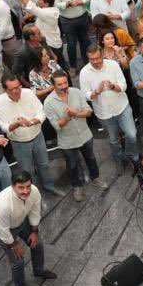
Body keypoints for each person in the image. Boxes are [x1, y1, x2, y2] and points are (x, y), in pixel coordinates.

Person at [42, 70, 109, 203]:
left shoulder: (76, 92)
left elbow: (89, 112)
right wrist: (67, 117)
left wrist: (76, 114)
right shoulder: (49, 102)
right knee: (72, 164)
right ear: (53, 86)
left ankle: (95, 177)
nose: (63, 86)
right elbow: (56, 125)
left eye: (65, 82)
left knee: (90, 157)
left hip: (85, 134)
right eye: (59, 84)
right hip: (67, 140)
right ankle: (77, 186)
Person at [0, 170, 55, 286]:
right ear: (13, 186)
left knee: (37, 245)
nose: (26, 191)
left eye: (28, 186)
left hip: (21, 221)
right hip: (4, 229)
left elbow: (35, 211)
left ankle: (38, 270)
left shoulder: (34, 191)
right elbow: (2, 230)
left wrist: (34, 232)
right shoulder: (3, 204)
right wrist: (14, 245)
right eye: (21, 187)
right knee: (17, 261)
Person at [79, 45, 138, 172]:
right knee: (113, 140)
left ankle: (132, 156)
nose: (95, 62)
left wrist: (112, 87)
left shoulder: (113, 65)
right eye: (91, 59)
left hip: (122, 107)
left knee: (132, 135)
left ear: (102, 55)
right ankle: (119, 160)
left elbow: (124, 86)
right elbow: (86, 95)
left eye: (97, 58)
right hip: (104, 113)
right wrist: (97, 91)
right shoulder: (84, 72)